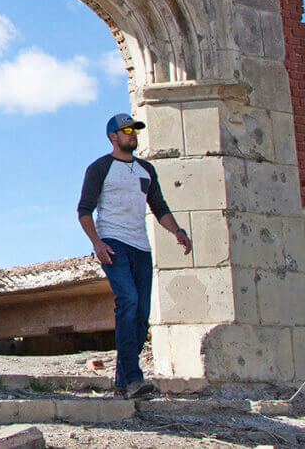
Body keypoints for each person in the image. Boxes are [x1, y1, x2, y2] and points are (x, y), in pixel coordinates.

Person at [77, 112, 192, 399]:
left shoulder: (146, 170)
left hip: (141, 247)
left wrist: (177, 231)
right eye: (126, 131)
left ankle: (122, 380)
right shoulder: (100, 168)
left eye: (134, 130)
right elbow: (84, 210)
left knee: (141, 315)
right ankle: (134, 379)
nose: (132, 134)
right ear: (112, 137)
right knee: (127, 301)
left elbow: (159, 207)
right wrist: (97, 243)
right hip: (113, 243)